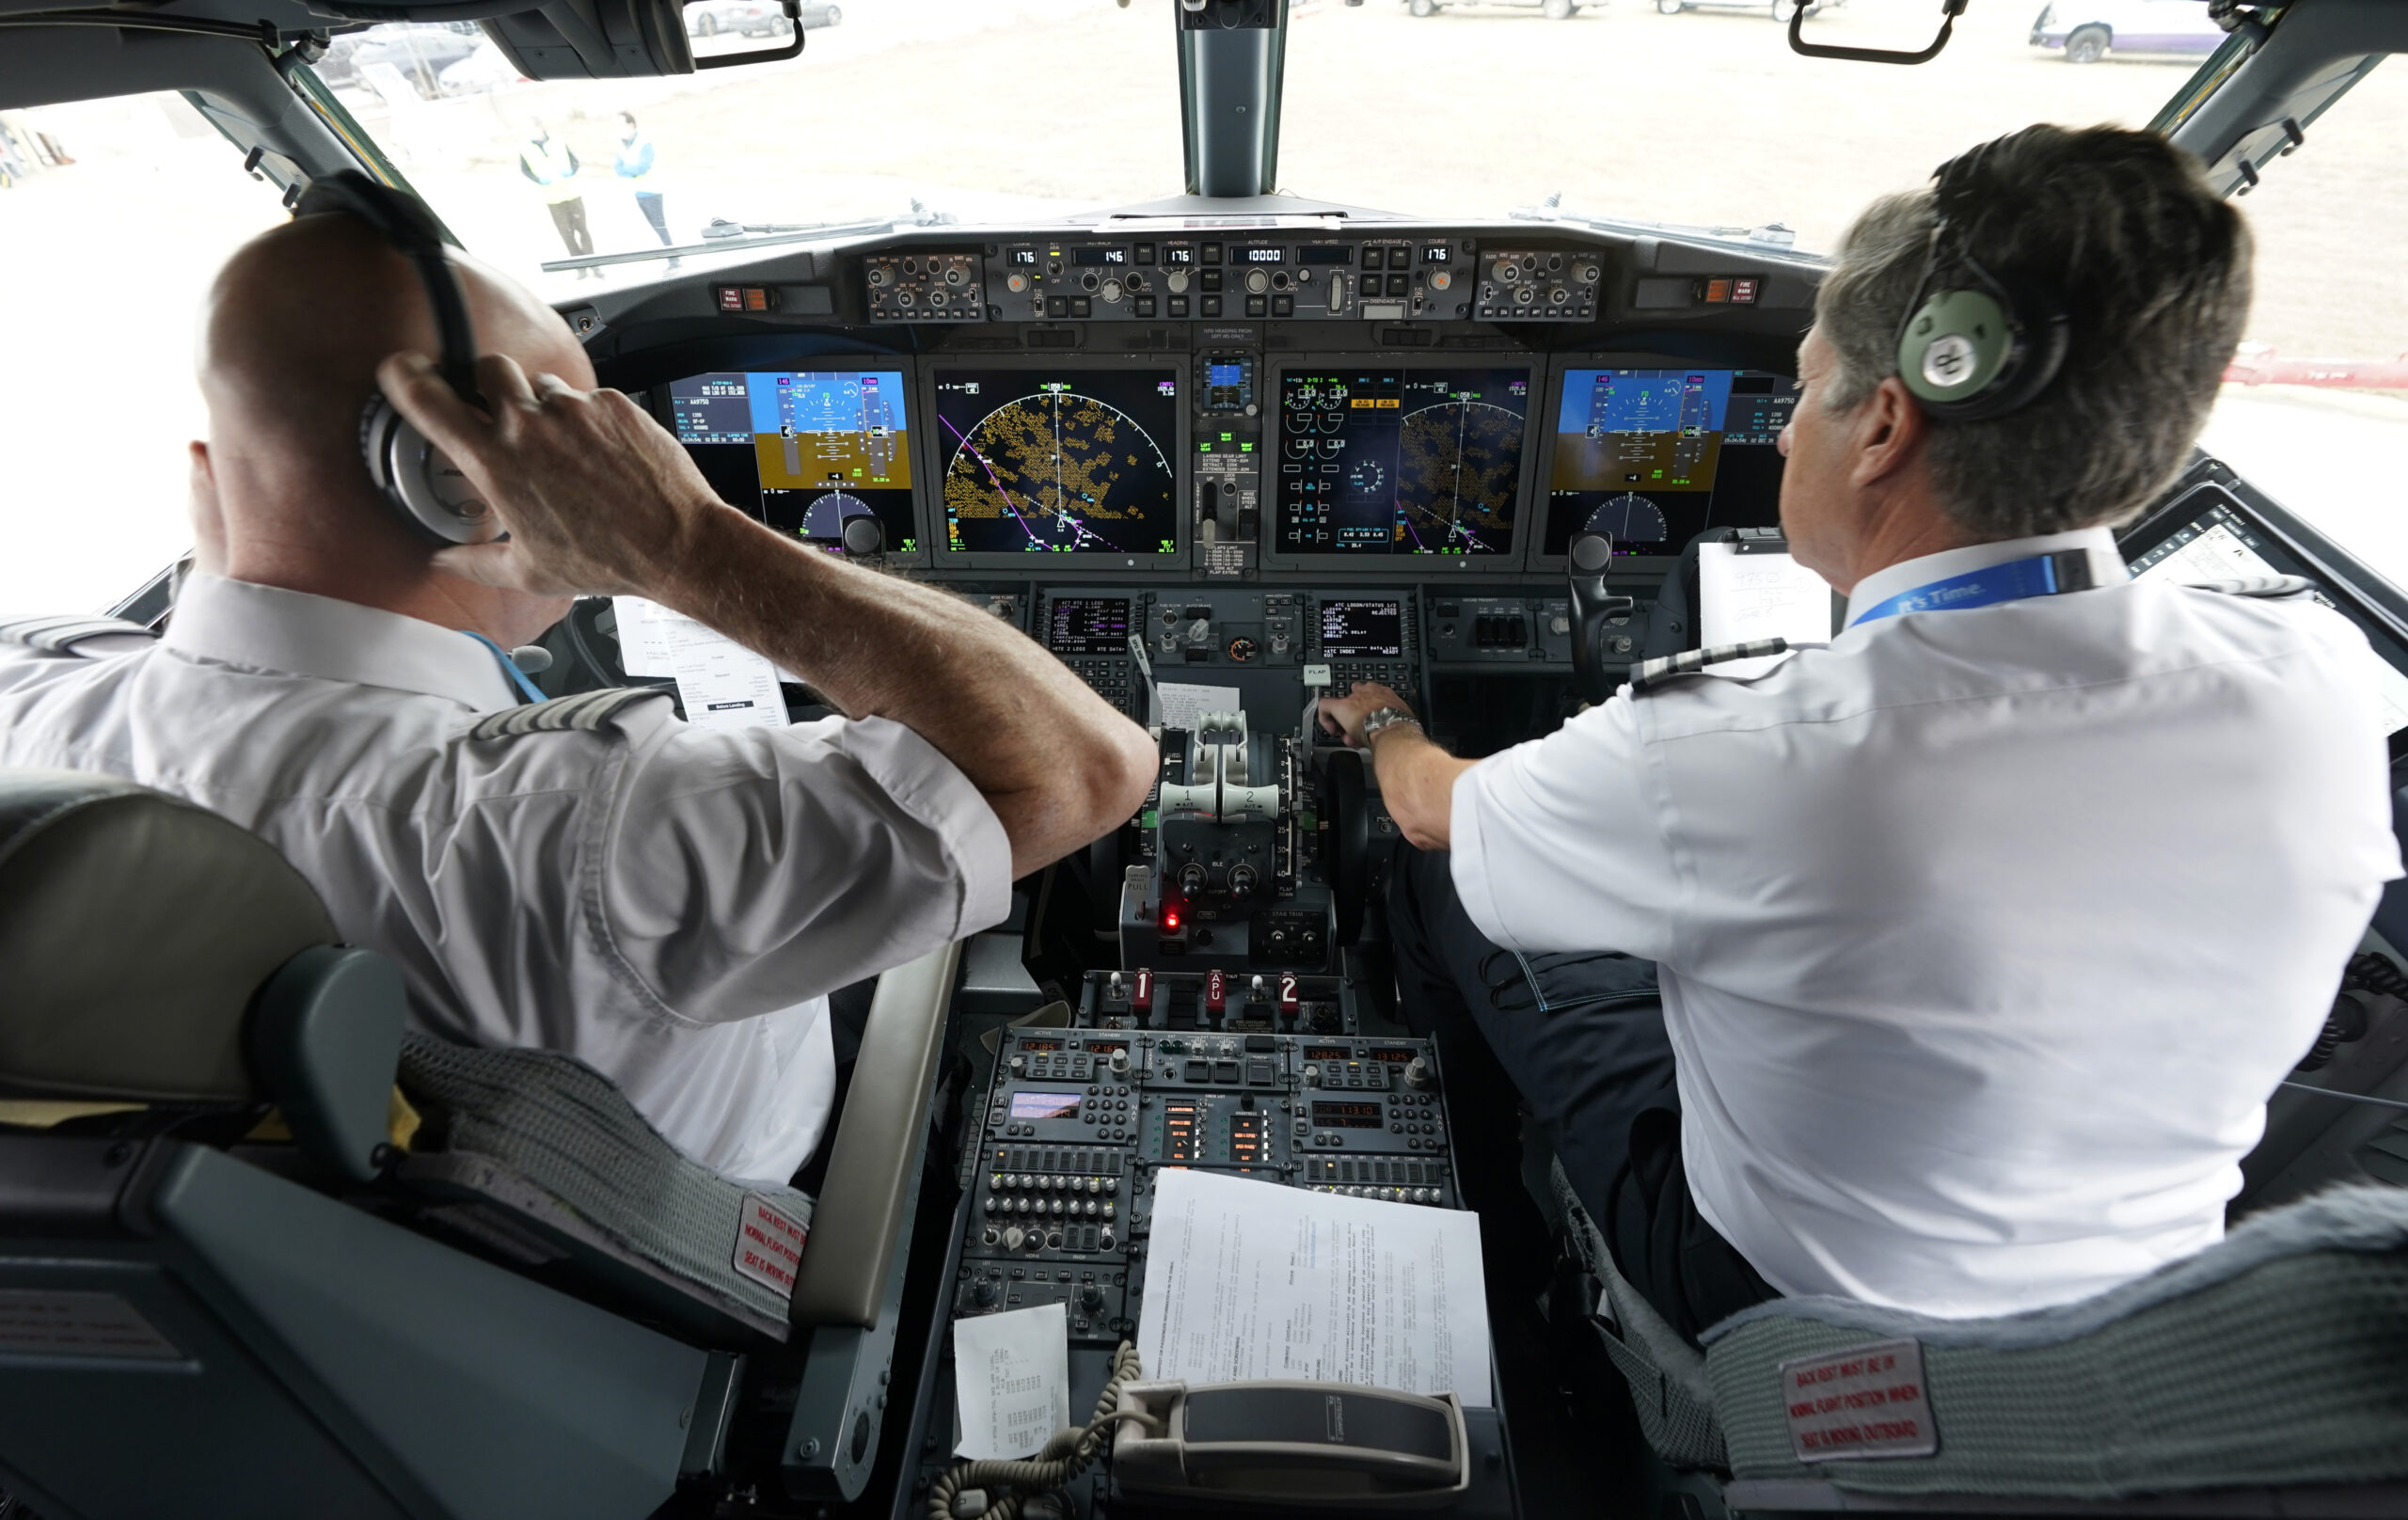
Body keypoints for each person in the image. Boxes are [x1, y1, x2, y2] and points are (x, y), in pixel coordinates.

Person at [1319, 124, 2402, 1338]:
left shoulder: (1740, 752)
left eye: (1800, 390)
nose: (1781, 434)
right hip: (2137, 1311)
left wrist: (1386, 720)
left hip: (1783, 1295)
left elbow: (1426, 804)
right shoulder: (2317, 679)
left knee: (1450, 877)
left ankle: (1498, 1255)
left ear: (1885, 425)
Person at [0, 211, 1157, 1185]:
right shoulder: (587, 828)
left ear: (206, 479)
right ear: (466, 492)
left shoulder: (32, 718)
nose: (615, 461)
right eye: (582, 443)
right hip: (743, 1199)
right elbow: (1083, 764)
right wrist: (683, 540)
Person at [519, 118, 593, 277]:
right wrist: (539, 180)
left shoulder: (558, 141)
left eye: (533, 127)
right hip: (552, 198)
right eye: (528, 128)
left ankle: (595, 264)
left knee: (583, 230)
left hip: (572, 193)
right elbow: (525, 170)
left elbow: (575, 161)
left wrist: (571, 171)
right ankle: (580, 267)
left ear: (541, 126)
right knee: (566, 234)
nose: (531, 131)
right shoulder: (525, 149)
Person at [614, 111, 675, 268]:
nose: (619, 128)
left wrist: (629, 169)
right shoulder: (621, 144)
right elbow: (618, 169)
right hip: (638, 192)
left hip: (652, 190)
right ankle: (671, 256)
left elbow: (642, 168)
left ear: (631, 124)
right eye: (617, 125)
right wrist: (631, 169)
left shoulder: (644, 142)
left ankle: (674, 258)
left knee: (661, 227)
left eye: (621, 124)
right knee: (655, 227)